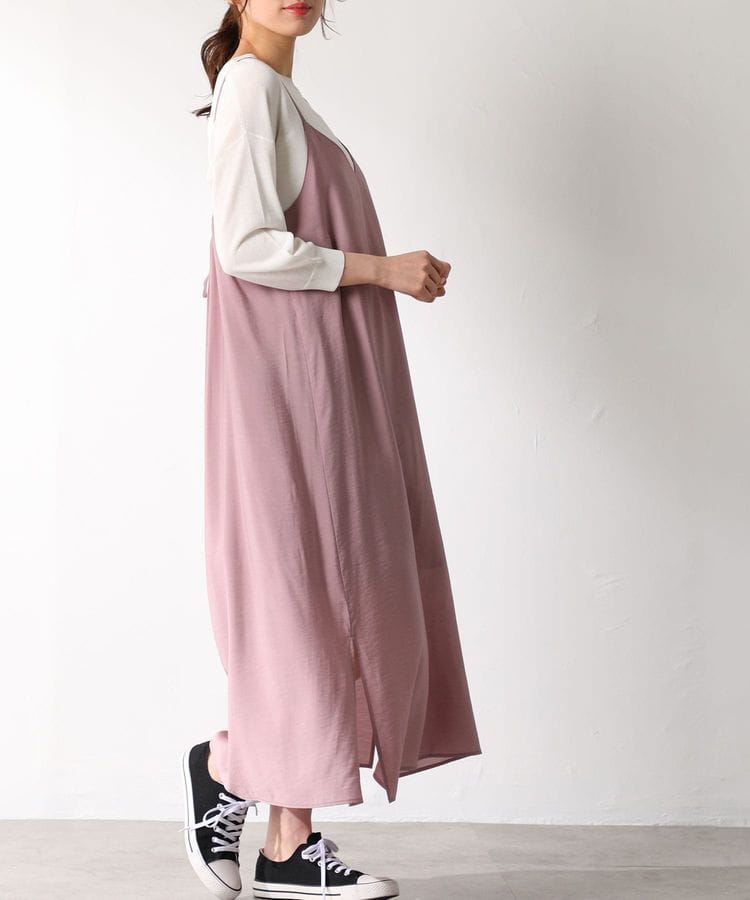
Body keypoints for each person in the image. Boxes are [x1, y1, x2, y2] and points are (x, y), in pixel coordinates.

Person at [180, 2, 482, 898]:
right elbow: (244, 245)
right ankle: (278, 830)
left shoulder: (278, 94)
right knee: (303, 584)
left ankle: (248, 794)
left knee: (329, 580)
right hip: (289, 380)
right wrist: (382, 269)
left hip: (318, 373)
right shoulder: (248, 86)